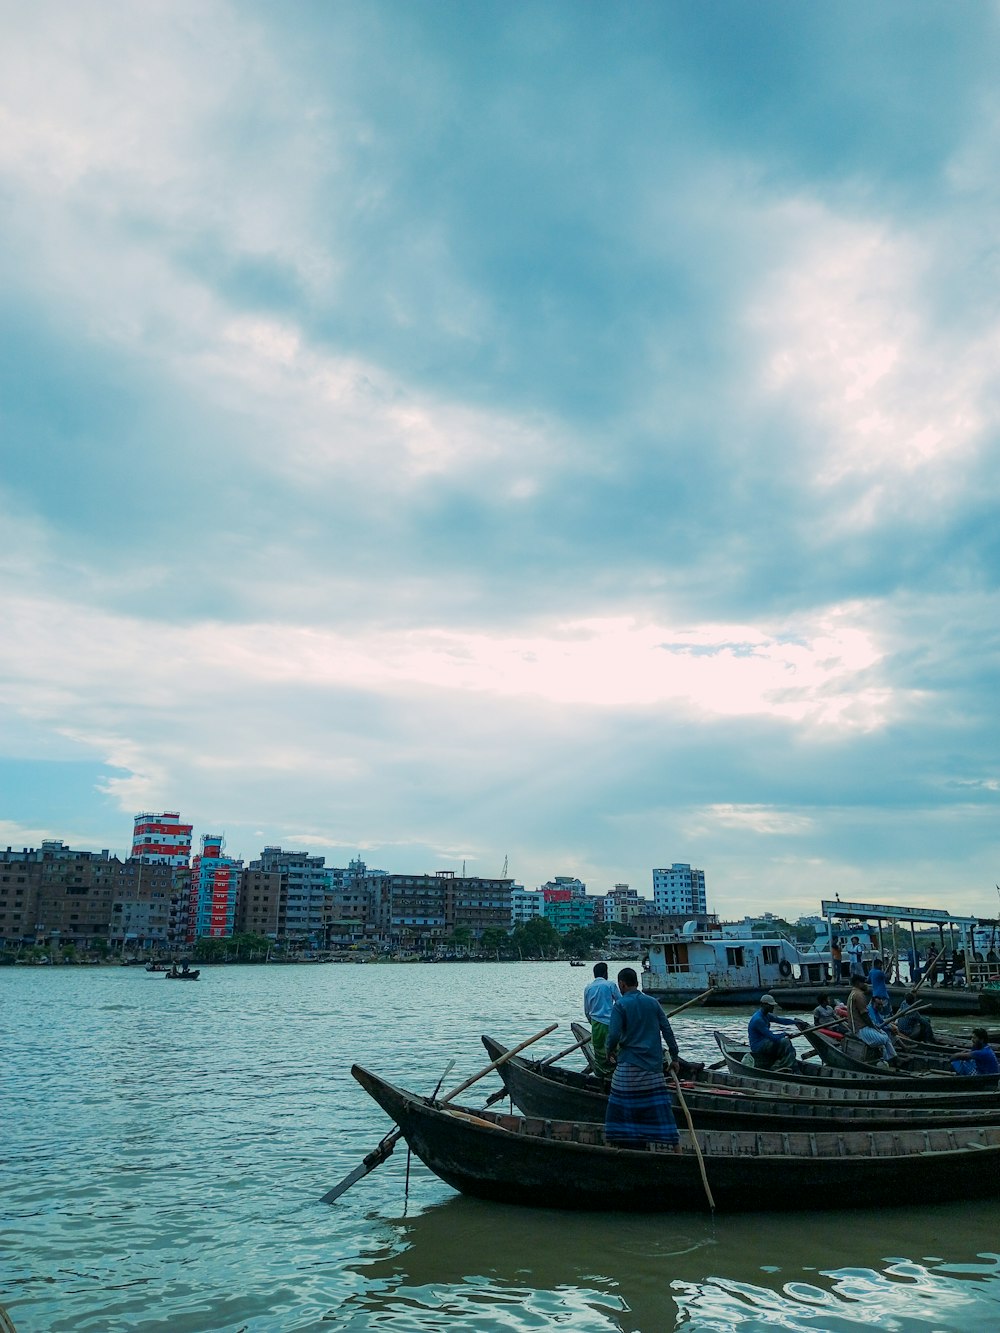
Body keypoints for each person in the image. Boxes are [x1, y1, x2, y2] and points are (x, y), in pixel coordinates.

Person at [604, 967, 681, 1149]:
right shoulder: (653, 1003)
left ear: (622, 984)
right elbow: (667, 1031)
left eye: (620, 985)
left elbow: (613, 1035)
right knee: (662, 1111)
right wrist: (675, 1057)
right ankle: (677, 1149)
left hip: (628, 1069)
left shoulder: (620, 1005)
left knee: (615, 1109)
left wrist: (609, 1051)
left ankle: (609, 1146)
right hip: (653, 1072)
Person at [846, 975, 897, 1064]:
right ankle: (890, 1059)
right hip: (860, 1029)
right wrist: (873, 1027)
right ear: (858, 983)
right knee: (884, 1038)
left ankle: (893, 1058)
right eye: (864, 983)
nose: (866, 985)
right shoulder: (859, 995)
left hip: (859, 1027)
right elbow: (865, 1016)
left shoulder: (853, 993)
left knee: (884, 1034)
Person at [583, 961, 621, 1077]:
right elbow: (620, 1003)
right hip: (611, 1023)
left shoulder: (588, 988)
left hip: (596, 1024)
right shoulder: (610, 985)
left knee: (599, 1051)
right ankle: (617, 1074)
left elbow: (587, 1010)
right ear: (606, 973)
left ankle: (603, 1075)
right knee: (615, 1050)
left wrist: (592, 1022)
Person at [747, 994, 800, 1070]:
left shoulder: (766, 1015)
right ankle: (783, 1066)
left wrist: (796, 1022)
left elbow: (780, 1020)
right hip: (758, 1046)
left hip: (765, 1042)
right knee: (785, 1042)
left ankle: (785, 1063)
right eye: (771, 1005)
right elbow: (772, 1037)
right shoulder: (758, 1020)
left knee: (784, 1043)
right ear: (763, 1005)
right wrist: (784, 1034)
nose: (773, 1007)